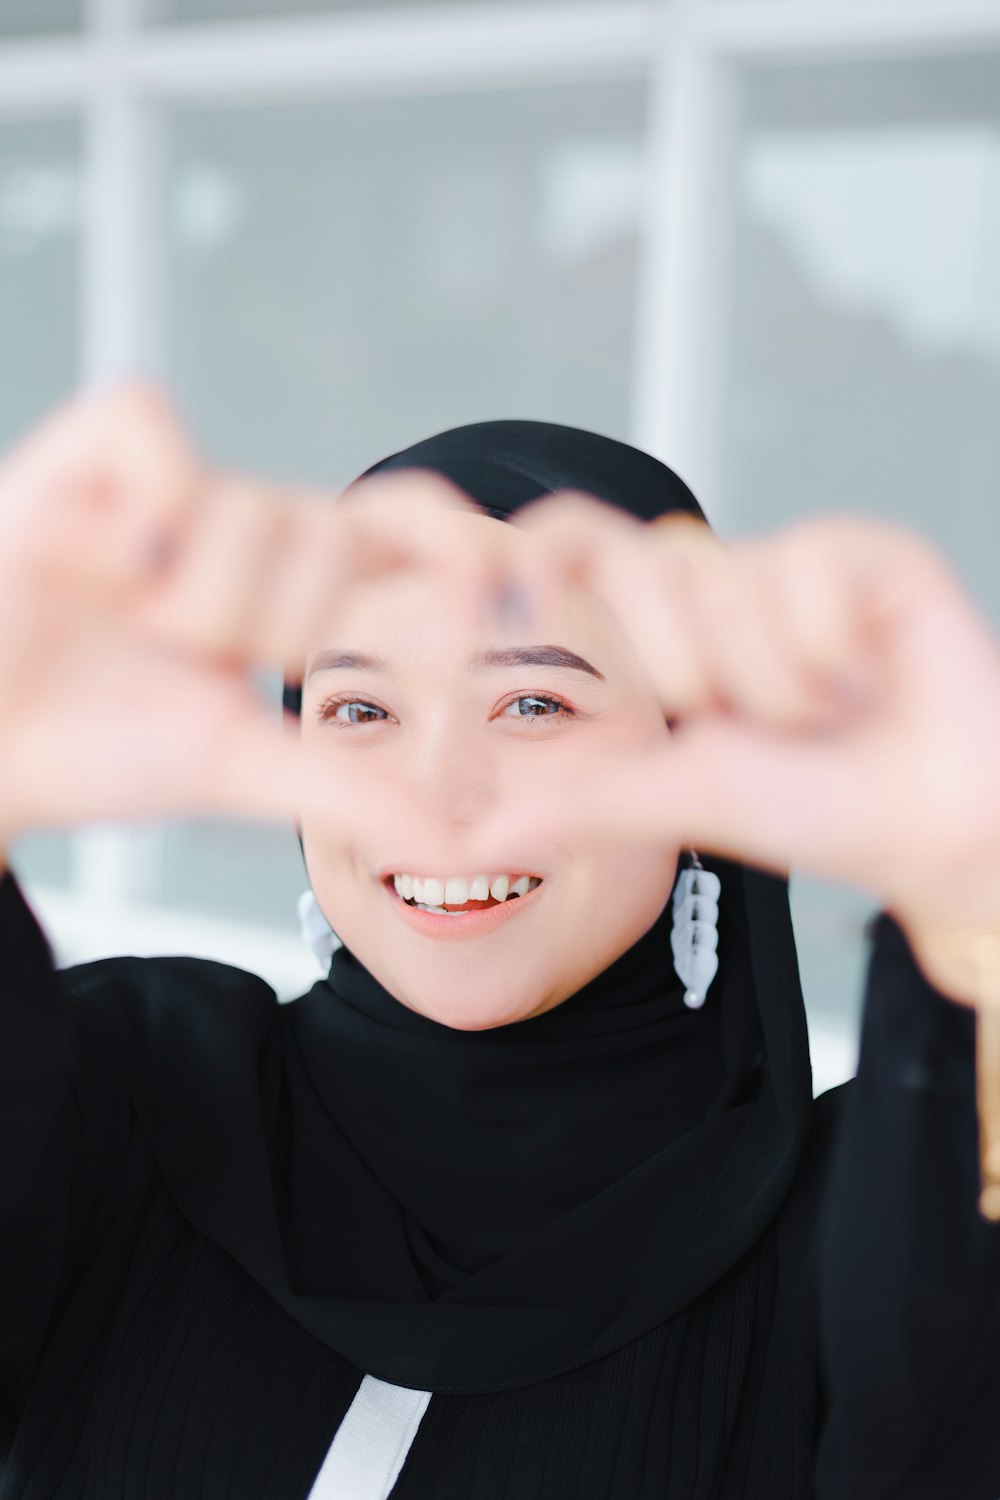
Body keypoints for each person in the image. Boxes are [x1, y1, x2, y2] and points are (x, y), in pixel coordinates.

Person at [1, 384, 1000, 1500]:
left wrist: (974, 870)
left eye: (534, 705)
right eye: (360, 712)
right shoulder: (130, 1089)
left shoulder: (872, 1220)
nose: (437, 795)